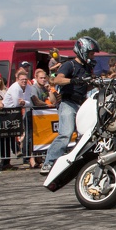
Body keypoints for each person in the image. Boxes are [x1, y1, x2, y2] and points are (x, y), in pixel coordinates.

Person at [40, 37, 100, 175]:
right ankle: (48, 162)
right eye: (91, 53)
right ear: (83, 51)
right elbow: (57, 79)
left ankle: (81, 162)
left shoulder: (87, 67)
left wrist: (94, 82)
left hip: (82, 103)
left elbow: (86, 84)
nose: (93, 56)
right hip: (68, 103)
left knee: (87, 134)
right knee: (66, 134)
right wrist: (74, 80)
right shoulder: (70, 65)